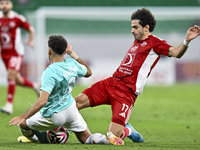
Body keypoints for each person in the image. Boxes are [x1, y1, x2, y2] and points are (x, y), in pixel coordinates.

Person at [75, 8, 200, 144]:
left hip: (126, 93)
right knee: (76, 102)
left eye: (135, 27)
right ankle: (61, 127)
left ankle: (128, 131)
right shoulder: (137, 41)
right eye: (132, 27)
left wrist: (186, 40)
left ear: (146, 27)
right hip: (110, 83)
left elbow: (176, 53)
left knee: (112, 138)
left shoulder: (156, 43)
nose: (132, 30)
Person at [9, 35, 124, 145]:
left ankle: (35, 139)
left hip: (53, 115)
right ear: (65, 51)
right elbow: (89, 72)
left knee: (22, 124)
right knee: (87, 138)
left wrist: (23, 116)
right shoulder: (72, 64)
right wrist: (72, 54)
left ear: (49, 51)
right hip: (71, 110)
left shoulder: (49, 72)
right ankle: (106, 138)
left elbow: (43, 100)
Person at [0, 0, 39, 115]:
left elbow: (31, 29)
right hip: (4, 54)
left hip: (16, 53)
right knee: (17, 80)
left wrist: (30, 41)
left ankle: (9, 105)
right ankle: (35, 85)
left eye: (7, 3)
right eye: (2, 3)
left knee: (10, 75)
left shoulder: (17, 18)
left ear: (11, 5)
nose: (4, 5)